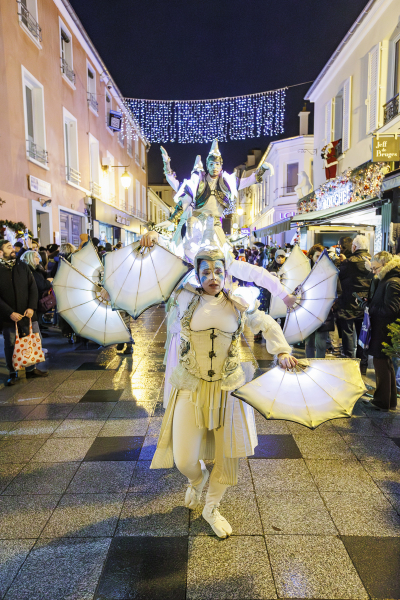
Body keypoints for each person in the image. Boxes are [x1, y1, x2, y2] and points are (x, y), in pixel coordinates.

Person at [146, 241, 297, 538]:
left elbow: (265, 322)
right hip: (191, 385)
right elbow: (153, 279)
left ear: (226, 273)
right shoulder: (183, 300)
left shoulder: (238, 303)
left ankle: (212, 507)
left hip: (228, 389)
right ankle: (197, 478)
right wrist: (150, 241)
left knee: (228, 457)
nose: (213, 277)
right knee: (184, 459)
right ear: (197, 274)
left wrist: (281, 351)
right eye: (206, 272)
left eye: (218, 271)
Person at [0, 240, 48, 386]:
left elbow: (32, 288)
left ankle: (31, 369)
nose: (13, 249)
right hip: (9, 316)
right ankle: (13, 372)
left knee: (33, 339)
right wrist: (9, 312)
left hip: (27, 313)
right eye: (8, 247)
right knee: (10, 344)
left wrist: (32, 307)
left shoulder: (22, 266)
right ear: (1, 252)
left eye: (12, 246)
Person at [367, 251, 400, 411]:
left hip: (385, 330)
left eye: (376, 268)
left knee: (381, 362)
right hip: (382, 328)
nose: (374, 272)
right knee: (384, 363)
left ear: (386, 265)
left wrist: (371, 308)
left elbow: (392, 309)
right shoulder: (386, 280)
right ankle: (389, 400)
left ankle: (381, 401)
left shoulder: (392, 282)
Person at [336, 234, 373, 374]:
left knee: (348, 334)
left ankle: (350, 363)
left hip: (348, 304)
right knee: (363, 334)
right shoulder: (371, 260)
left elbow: (340, 277)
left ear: (354, 247)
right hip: (365, 305)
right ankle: (362, 365)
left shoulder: (348, 262)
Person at [304, 244, 329, 358]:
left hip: (323, 310)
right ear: (311, 257)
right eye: (317, 256)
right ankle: (308, 364)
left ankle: (319, 366)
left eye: (322, 256)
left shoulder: (329, 270)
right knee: (309, 341)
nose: (320, 258)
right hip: (308, 310)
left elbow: (337, 290)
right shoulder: (305, 271)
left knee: (321, 342)